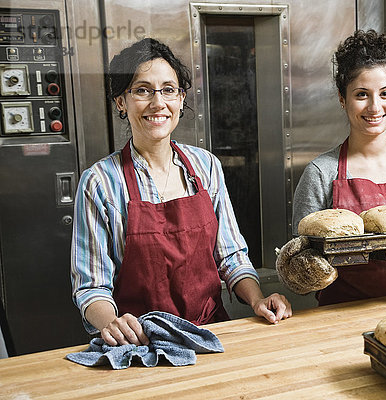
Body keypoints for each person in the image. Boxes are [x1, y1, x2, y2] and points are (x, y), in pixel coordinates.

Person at [71, 38, 291, 346]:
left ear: (181, 98)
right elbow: (91, 286)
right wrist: (112, 323)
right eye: (142, 90)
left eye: (168, 89)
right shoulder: (100, 182)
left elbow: (230, 256)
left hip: (209, 335)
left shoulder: (205, 167)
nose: (157, 102)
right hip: (140, 344)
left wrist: (256, 300)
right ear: (121, 101)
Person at [292, 30, 386, 306]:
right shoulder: (320, 173)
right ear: (343, 98)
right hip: (342, 314)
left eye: (385, 93)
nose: (375, 107)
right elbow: (300, 263)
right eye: (362, 94)